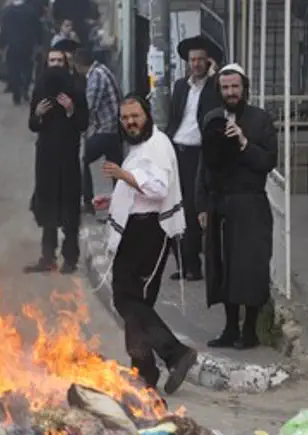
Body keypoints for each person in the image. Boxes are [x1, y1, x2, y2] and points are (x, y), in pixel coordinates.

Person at [94, 94, 197, 394]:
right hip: (134, 230)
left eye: (135, 116)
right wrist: (113, 199)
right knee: (131, 303)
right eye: (125, 118)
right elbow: (137, 190)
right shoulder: (141, 147)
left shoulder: (158, 145)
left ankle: (175, 354)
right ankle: (144, 372)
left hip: (150, 233)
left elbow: (157, 189)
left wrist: (122, 175)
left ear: (147, 115)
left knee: (130, 301)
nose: (130, 122)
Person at [196, 64, 278, 350]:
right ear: (219, 90)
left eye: (235, 87)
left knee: (250, 267)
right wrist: (202, 204)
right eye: (226, 87)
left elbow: (268, 161)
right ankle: (230, 329)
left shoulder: (260, 120)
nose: (231, 93)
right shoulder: (212, 118)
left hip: (250, 202)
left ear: (244, 89)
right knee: (224, 267)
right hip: (220, 203)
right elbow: (203, 165)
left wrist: (243, 142)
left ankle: (250, 331)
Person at [24, 46, 88, 274]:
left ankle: (70, 258)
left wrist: (71, 111)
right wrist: (38, 114)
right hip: (46, 157)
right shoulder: (40, 87)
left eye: (59, 61)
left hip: (68, 156)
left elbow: (83, 124)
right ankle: (47, 257)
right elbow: (32, 125)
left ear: (66, 63)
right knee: (47, 205)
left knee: (70, 207)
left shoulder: (76, 88)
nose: (55, 65)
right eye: (51, 60)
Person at [165, 35, 223, 282]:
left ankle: (196, 267)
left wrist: (217, 76)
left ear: (208, 62)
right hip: (177, 150)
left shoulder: (215, 87)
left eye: (201, 59)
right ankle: (184, 264)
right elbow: (174, 118)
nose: (196, 64)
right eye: (192, 60)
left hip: (200, 154)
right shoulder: (180, 87)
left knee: (194, 209)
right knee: (173, 208)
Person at [73, 47, 122, 215]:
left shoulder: (96, 76)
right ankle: (121, 203)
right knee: (115, 166)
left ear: (79, 65)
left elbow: (90, 106)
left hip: (107, 129)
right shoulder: (103, 70)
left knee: (83, 159)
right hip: (114, 128)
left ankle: (87, 201)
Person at [0, 0, 40, 105]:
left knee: (13, 69)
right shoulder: (31, 10)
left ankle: (16, 94)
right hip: (27, 44)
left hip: (13, 44)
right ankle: (25, 87)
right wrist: (39, 42)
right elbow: (37, 27)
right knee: (27, 67)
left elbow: (3, 29)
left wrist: (2, 44)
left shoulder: (7, 11)